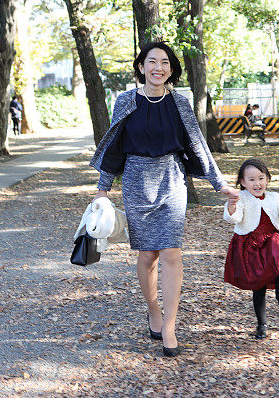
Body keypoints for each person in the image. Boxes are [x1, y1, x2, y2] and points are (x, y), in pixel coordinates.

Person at [90, 41, 239, 357]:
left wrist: (219, 183)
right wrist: (103, 187)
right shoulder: (126, 101)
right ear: (141, 66)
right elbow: (115, 144)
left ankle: (169, 325)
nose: (158, 67)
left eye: (165, 63)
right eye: (152, 61)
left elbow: (197, 144)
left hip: (171, 180)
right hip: (135, 181)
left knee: (171, 252)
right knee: (148, 256)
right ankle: (153, 310)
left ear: (171, 70)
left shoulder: (179, 103)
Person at [223, 158, 279, 339]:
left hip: (271, 239)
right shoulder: (241, 197)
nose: (257, 183)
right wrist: (232, 205)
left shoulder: (274, 197)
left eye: (261, 178)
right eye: (251, 180)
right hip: (250, 244)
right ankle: (262, 324)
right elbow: (234, 218)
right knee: (258, 286)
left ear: (267, 179)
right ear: (243, 182)